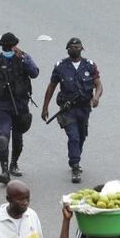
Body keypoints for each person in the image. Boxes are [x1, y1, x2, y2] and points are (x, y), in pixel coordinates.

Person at [41, 37, 103, 183]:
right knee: (73, 137)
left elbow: (98, 85)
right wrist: (45, 107)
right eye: (71, 47)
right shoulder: (60, 66)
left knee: (81, 136)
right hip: (67, 109)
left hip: (84, 109)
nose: (74, 49)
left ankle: (75, 157)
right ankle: (75, 165)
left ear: (82, 49)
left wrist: (96, 97)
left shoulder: (89, 65)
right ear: (67, 49)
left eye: (77, 47)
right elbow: (51, 87)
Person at [0, 32, 39, 184]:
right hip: (3, 106)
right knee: (3, 136)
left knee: (18, 137)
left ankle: (14, 163)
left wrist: (24, 58)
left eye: (10, 47)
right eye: (5, 47)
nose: (8, 49)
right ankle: (4, 170)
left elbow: (35, 73)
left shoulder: (23, 58)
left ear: (15, 46)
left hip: (20, 105)